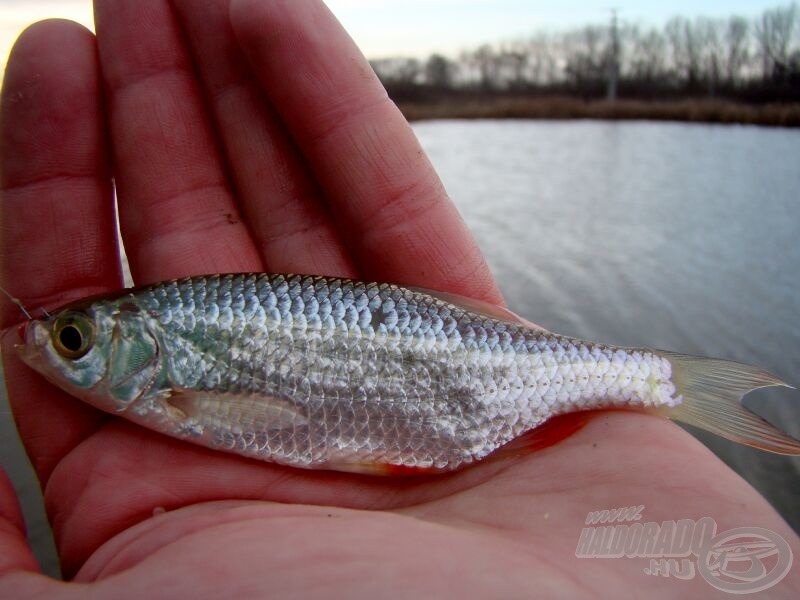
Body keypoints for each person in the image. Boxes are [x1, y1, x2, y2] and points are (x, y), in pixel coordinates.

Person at [0, 1, 797, 596]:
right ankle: (671, 381)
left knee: (645, 379)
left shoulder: (169, 387)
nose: (45, 344)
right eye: (71, 340)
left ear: (141, 347)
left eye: (72, 340)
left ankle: (667, 382)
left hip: (465, 389)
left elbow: (262, 418)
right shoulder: (159, 370)